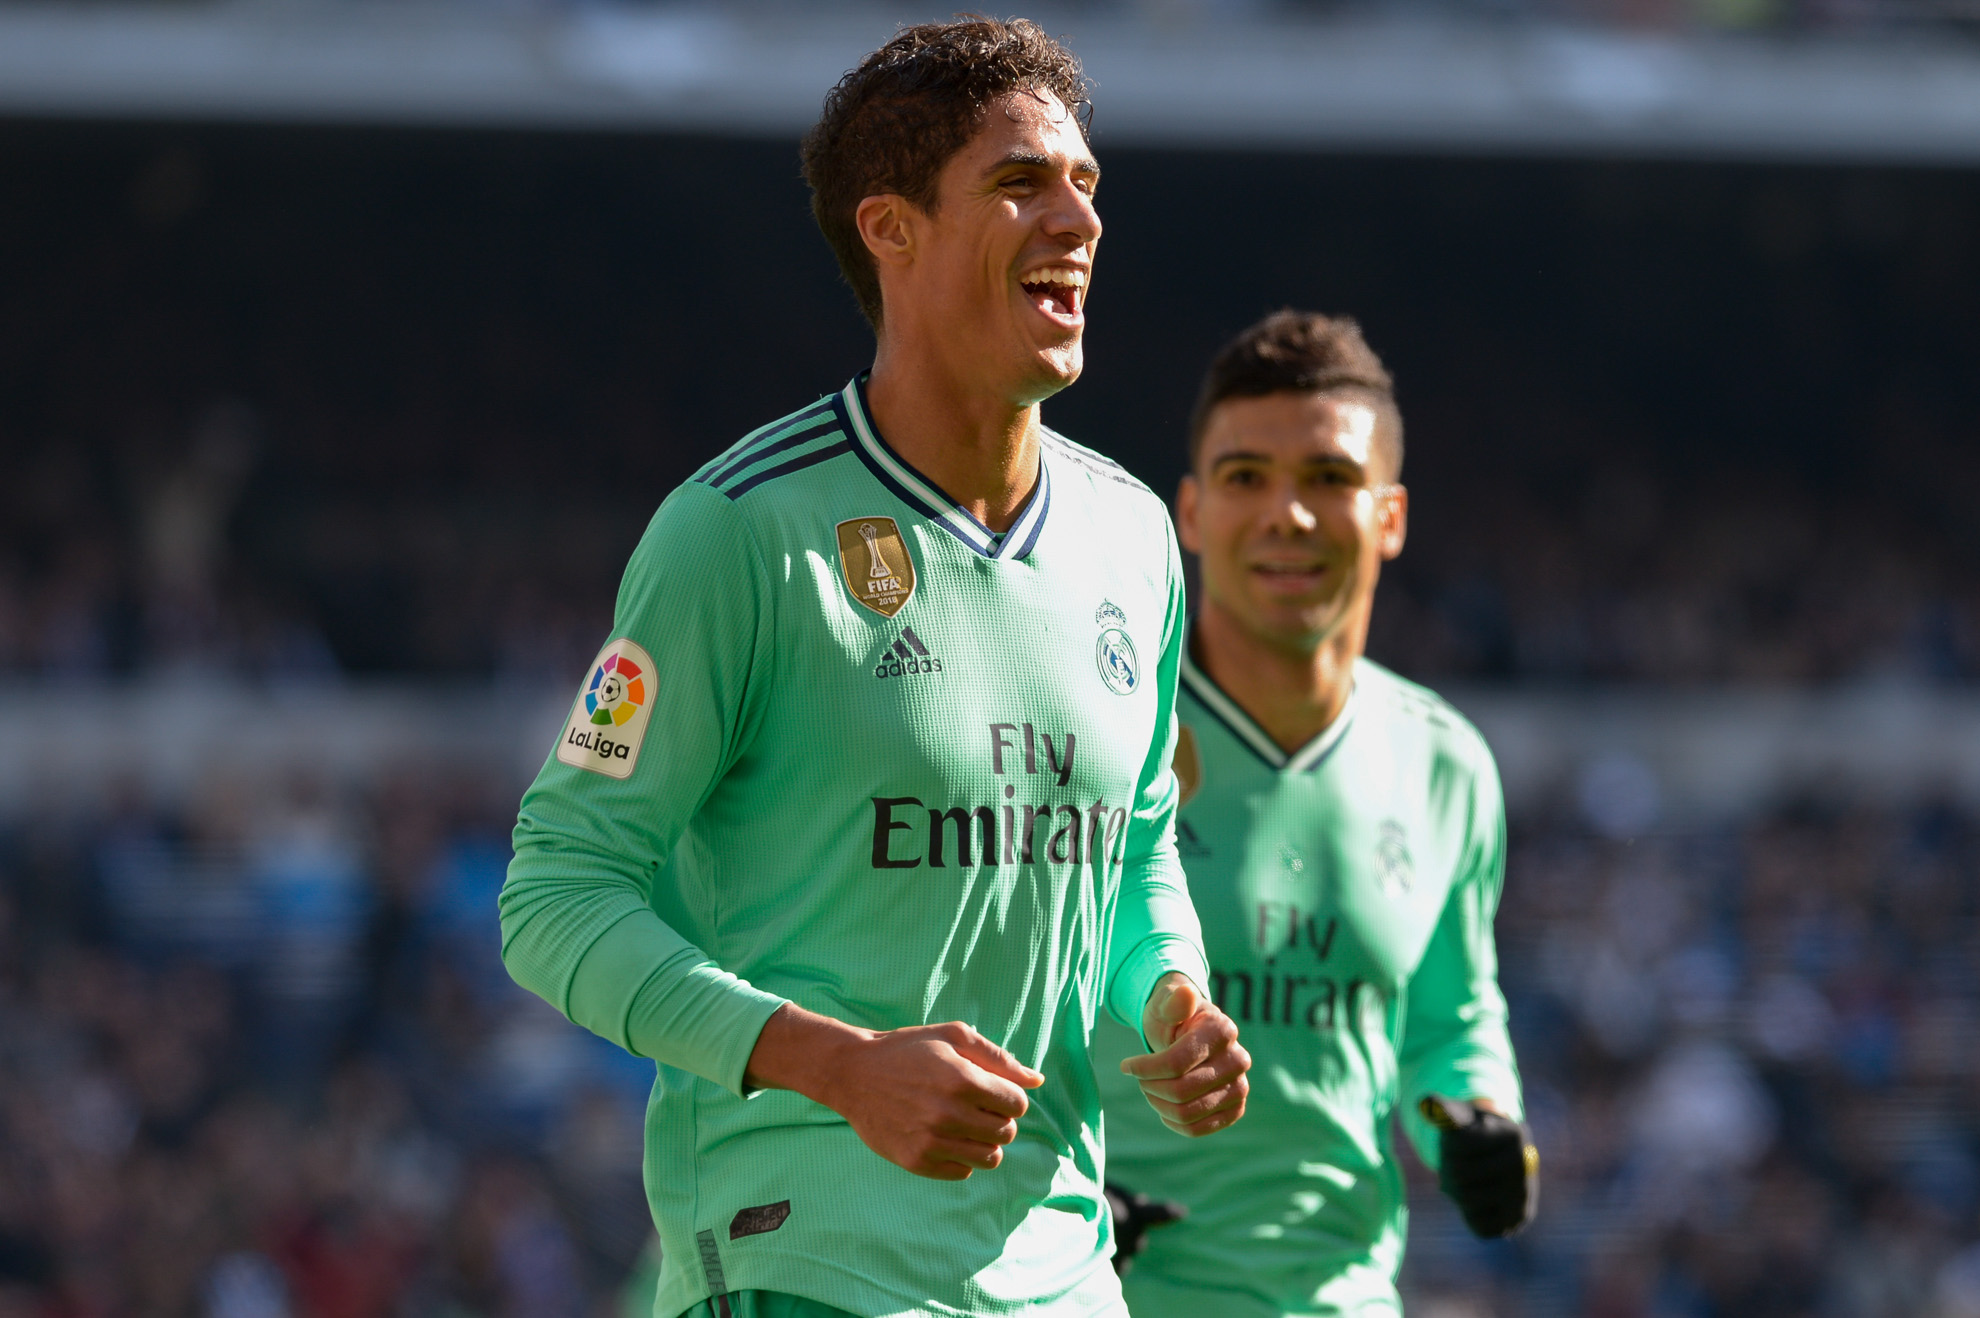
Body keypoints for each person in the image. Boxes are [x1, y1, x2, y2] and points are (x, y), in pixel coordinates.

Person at [499, 19, 1250, 1318]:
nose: (1079, 219)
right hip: (805, 1259)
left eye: (1086, 184)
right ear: (892, 229)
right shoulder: (737, 533)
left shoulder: (1133, 539)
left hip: (1066, 1266)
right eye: (1021, 181)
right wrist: (840, 1066)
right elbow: (557, 895)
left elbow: (1133, 852)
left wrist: (1170, 996)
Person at [1094, 312, 1537, 1317]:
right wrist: (1043, 1194)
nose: (1286, 514)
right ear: (1192, 513)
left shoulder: (1446, 765)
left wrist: (1481, 1122)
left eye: (1329, 478)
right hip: (1094, 1296)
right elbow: (982, 987)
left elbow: (1449, 1022)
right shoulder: (1098, 728)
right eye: (1246, 476)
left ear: (1390, 515)